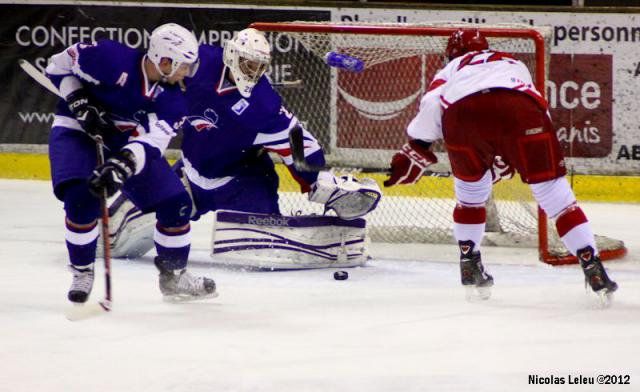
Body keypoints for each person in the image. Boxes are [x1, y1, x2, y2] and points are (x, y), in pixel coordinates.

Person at [105, 28, 381, 268]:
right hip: (190, 174)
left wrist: (318, 180)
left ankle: (326, 240)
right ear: (232, 56)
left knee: (262, 245)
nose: (254, 72)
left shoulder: (263, 106)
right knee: (112, 238)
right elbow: (156, 78)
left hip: (241, 184)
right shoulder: (198, 64)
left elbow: (296, 138)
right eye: (249, 64)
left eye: (260, 66)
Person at [384, 29, 617, 303]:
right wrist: (515, 151)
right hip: (520, 110)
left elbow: (434, 104)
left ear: (451, 53)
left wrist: (418, 145)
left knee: (470, 197)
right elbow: (528, 102)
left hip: (462, 115)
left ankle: (469, 263)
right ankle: (592, 265)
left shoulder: (452, 68)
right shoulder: (511, 61)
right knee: (555, 196)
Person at [46, 23, 217, 304]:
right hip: (78, 130)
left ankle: (174, 276)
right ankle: (82, 270)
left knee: (177, 205)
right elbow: (57, 67)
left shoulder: (173, 101)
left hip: (128, 144)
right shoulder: (107, 57)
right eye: (184, 65)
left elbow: (151, 145)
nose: (187, 72)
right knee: (81, 198)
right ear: (165, 60)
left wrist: (121, 165)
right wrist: (78, 101)